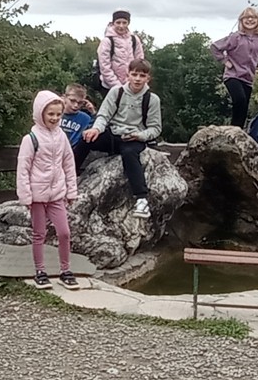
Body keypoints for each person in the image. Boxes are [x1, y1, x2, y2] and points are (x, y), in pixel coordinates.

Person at [84, 58, 163, 219]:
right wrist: (96, 129)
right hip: (114, 134)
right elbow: (104, 115)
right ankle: (67, 177)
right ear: (128, 75)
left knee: (129, 154)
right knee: (86, 139)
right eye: (134, 74)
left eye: (142, 75)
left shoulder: (152, 99)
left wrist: (140, 135)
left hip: (135, 137)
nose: (137, 79)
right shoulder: (116, 92)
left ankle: (141, 199)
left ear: (148, 78)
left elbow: (155, 128)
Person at [17, 90, 80, 289]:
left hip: (57, 194)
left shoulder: (61, 136)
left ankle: (65, 270)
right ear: (41, 113)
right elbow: (23, 168)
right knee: (39, 233)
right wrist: (26, 196)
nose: (54, 118)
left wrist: (71, 190)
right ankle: (40, 271)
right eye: (50, 114)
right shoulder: (31, 138)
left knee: (64, 232)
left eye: (58, 114)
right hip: (37, 196)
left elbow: (68, 163)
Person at [211, 7, 258, 128]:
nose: (250, 20)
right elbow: (215, 47)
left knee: (244, 107)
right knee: (239, 100)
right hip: (233, 75)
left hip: (248, 78)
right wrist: (225, 61)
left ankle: (238, 130)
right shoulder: (235, 37)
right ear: (241, 20)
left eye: (253, 17)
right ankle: (233, 130)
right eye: (246, 17)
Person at [95, 10, 145, 92]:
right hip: (109, 88)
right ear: (113, 23)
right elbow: (105, 66)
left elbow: (139, 63)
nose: (121, 26)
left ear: (128, 23)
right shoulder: (107, 41)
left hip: (131, 86)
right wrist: (118, 87)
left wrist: (133, 83)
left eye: (124, 23)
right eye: (118, 22)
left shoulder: (134, 40)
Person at [59, 83, 96, 169]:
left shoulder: (85, 118)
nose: (76, 105)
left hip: (72, 154)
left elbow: (97, 127)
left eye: (80, 103)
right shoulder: (56, 114)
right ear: (64, 97)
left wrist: (93, 112)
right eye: (72, 101)